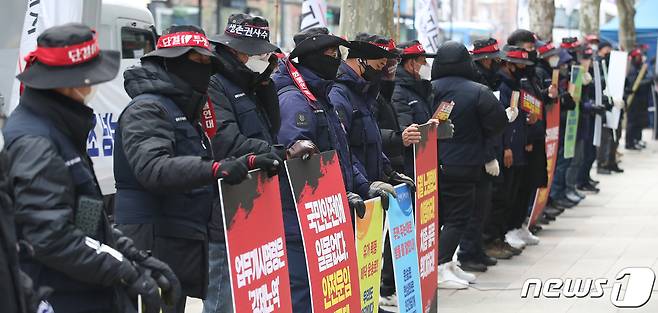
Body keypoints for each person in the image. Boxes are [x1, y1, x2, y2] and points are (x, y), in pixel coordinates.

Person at [3, 23, 180, 313]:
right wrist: (125, 270)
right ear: (69, 82)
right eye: (90, 79)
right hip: (60, 296)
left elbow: (86, 217)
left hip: (84, 288)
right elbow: (50, 236)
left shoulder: (61, 124)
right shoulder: (37, 141)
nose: (93, 87)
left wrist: (133, 254)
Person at [113, 25, 278, 313]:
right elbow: (153, 168)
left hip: (179, 236)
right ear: (170, 61)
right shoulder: (148, 109)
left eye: (207, 63)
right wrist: (216, 169)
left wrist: (248, 162)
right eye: (194, 61)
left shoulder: (184, 108)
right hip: (150, 239)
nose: (203, 70)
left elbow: (203, 159)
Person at [272, 27, 362, 313]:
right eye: (329, 54)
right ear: (310, 57)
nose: (336, 59)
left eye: (338, 54)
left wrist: (353, 187)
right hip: (300, 216)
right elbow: (296, 155)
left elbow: (339, 152)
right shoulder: (295, 98)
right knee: (302, 289)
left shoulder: (320, 93)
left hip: (325, 211)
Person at [204, 14, 284, 313]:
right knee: (222, 294)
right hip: (225, 203)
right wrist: (275, 152)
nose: (264, 59)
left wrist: (265, 83)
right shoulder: (215, 85)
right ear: (238, 52)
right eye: (259, 54)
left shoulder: (250, 83)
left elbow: (271, 127)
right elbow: (225, 141)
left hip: (255, 199)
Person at [430, 41, 509, 289]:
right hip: (465, 164)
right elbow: (497, 123)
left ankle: (447, 264)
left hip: (433, 164)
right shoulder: (478, 91)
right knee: (458, 218)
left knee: (440, 217)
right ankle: (442, 266)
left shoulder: (428, 89)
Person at [330, 33, 415, 203]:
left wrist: (388, 172)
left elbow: (372, 140)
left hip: (371, 192)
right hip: (356, 195)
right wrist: (364, 185)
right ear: (361, 60)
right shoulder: (339, 94)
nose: (382, 71)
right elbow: (341, 150)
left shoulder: (364, 93)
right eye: (379, 65)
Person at [457, 37, 505, 273]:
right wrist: (488, 155)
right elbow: (482, 124)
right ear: (484, 60)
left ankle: (477, 249)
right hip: (474, 153)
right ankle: (467, 252)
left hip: (485, 149)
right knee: (473, 209)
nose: (498, 62)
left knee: (483, 206)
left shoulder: (491, 79)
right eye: (494, 58)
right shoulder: (476, 83)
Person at [625, 48, 655, 150]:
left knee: (639, 122)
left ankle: (637, 140)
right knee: (632, 122)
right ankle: (630, 142)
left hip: (641, 101)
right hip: (634, 101)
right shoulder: (632, 69)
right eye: (638, 56)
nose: (640, 58)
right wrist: (648, 81)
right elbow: (634, 85)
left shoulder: (641, 67)